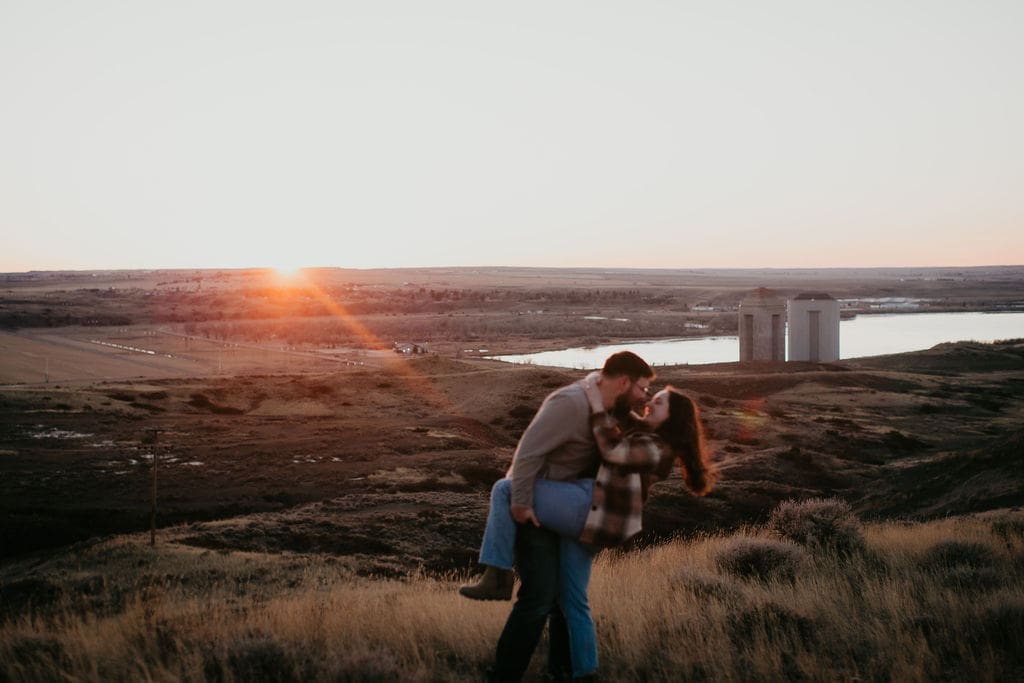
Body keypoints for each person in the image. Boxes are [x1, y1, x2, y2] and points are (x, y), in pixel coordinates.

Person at [464, 379, 716, 681]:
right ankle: (583, 672)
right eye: (652, 397)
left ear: (673, 418)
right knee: (572, 600)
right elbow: (625, 416)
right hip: (593, 523)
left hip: (591, 511)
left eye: (659, 403)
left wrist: (596, 403)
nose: (650, 403)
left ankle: (498, 572)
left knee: (506, 489)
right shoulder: (648, 435)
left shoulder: (657, 448)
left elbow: (612, 451)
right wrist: (611, 388)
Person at [461, 351, 655, 682]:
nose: (644, 396)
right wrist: (521, 503)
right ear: (623, 382)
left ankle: (563, 671)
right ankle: (503, 674)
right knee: (539, 595)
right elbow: (527, 454)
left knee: (566, 599)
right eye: (642, 388)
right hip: (535, 504)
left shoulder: (607, 406)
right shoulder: (570, 403)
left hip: (567, 508)